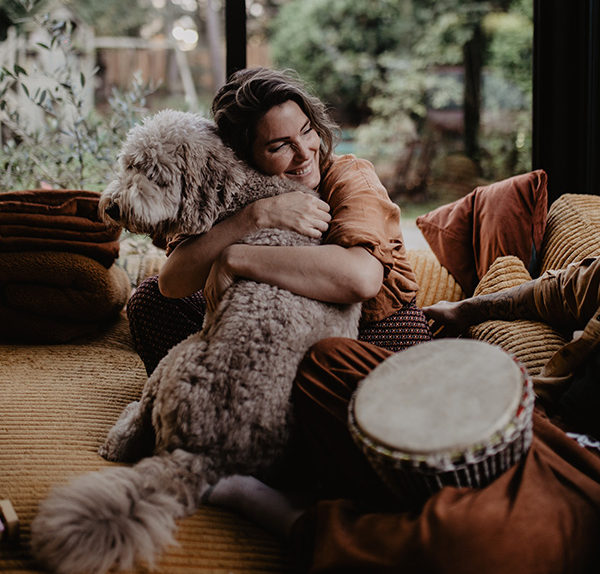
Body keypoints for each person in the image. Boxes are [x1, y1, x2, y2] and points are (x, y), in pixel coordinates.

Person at [204, 257, 600, 573]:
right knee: (330, 363)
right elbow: (564, 290)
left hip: (583, 475)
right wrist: (463, 311)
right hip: (535, 419)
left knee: (477, 543)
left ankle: (303, 520)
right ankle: (413, 511)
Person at [127, 66, 429, 375]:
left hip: (370, 334)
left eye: (306, 131)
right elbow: (172, 283)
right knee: (150, 302)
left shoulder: (349, 175)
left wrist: (236, 258)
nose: (304, 153)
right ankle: (206, 398)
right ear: (244, 156)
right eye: (280, 145)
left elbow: (361, 279)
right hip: (276, 330)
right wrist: (255, 217)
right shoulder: (234, 187)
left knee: (326, 358)